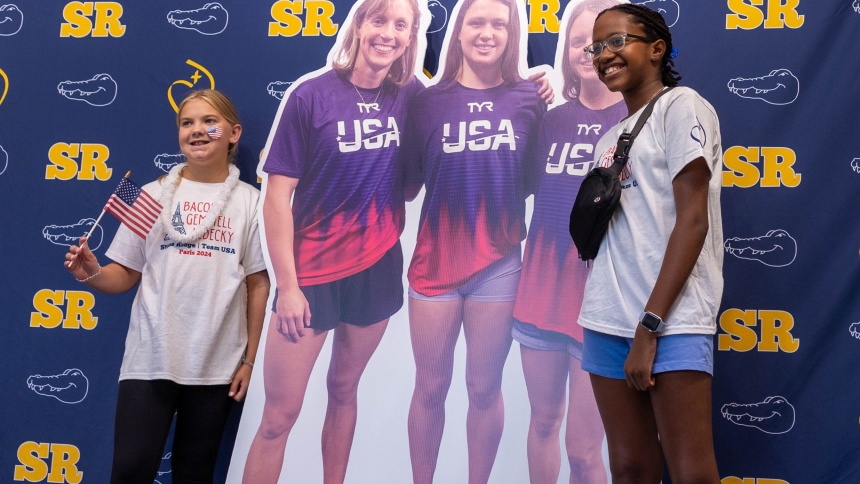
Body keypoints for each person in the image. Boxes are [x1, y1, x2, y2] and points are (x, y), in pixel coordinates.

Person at [241, 0, 425, 482]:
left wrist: (539, 85)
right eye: (379, 20)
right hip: (310, 276)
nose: (388, 32)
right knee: (279, 418)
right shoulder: (310, 95)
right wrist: (288, 286)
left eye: (401, 24)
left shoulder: (411, 95)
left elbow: (465, 99)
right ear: (359, 25)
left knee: (345, 390)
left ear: (410, 37)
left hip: (378, 266)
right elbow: (276, 198)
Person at [64, 89, 270, 484]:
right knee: (129, 470)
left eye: (210, 122)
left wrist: (249, 359)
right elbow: (123, 275)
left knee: (194, 473)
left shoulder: (251, 203)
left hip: (217, 366)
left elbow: (258, 284)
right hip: (150, 358)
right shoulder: (151, 195)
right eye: (187, 123)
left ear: (233, 133)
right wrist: (88, 272)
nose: (197, 131)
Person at [577, 4, 723, 484]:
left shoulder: (683, 107)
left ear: (657, 49)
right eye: (597, 48)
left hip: (670, 322)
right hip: (605, 320)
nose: (604, 55)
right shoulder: (609, 137)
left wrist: (649, 327)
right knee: (629, 466)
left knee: (690, 472)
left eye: (617, 42)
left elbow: (694, 222)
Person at [401, 0, 545, 482]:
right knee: (430, 388)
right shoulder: (424, 102)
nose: (487, 32)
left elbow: (529, 180)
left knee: (484, 388)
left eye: (499, 24)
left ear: (511, 35)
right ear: (458, 33)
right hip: (434, 266)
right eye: (476, 22)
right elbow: (408, 181)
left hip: (499, 266)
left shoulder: (529, 100)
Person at [511, 0, 623, 482]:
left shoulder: (637, 119)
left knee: (582, 448)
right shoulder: (548, 120)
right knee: (541, 423)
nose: (589, 50)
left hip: (600, 304)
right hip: (539, 295)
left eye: (602, 40)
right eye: (579, 40)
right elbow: (513, 184)